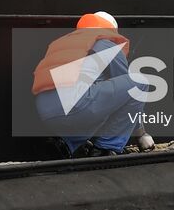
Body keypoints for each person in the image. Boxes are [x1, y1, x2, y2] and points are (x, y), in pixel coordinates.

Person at [32, 11, 156, 157]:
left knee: (96, 97)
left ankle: (67, 144)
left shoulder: (62, 44)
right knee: (139, 83)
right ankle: (107, 147)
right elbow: (132, 93)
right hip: (78, 106)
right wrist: (141, 134)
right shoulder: (106, 44)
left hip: (46, 112)